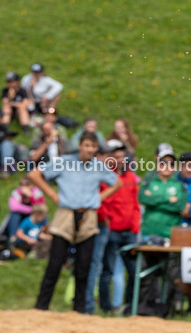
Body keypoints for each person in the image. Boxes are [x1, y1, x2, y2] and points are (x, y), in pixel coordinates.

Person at [29, 131, 120, 313]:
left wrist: (98, 198)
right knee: (55, 263)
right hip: (66, 213)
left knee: (83, 265)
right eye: (86, 145)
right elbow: (34, 175)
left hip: (87, 216)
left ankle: (79, 309)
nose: (89, 149)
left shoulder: (98, 166)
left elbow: (116, 183)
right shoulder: (65, 161)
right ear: (79, 145)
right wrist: (52, 194)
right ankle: (41, 307)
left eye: (93, 146)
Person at [86, 139, 140, 313]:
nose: (119, 160)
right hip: (111, 230)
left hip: (128, 231)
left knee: (133, 271)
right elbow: (102, 199)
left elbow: (135, 203)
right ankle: (105, 307)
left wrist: (135, 225)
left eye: (122, 156)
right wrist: (106, 219)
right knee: (106, 270)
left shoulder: (130, 176)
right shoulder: (106, 177)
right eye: (116, 157)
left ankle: (129, 307)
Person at [7, 174, 46, 240]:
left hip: (34, 215)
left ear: (33, 185)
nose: (24, 187)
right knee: (15, 215)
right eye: (22, 184)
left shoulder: (37, 193)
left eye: (27, 184)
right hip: (21, 215)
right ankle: (12, 238)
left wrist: (31, 197)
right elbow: (14, 207)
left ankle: (44, 234)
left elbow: (41, 207)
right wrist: (32, 209)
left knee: (43, 215)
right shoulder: (17, 192)